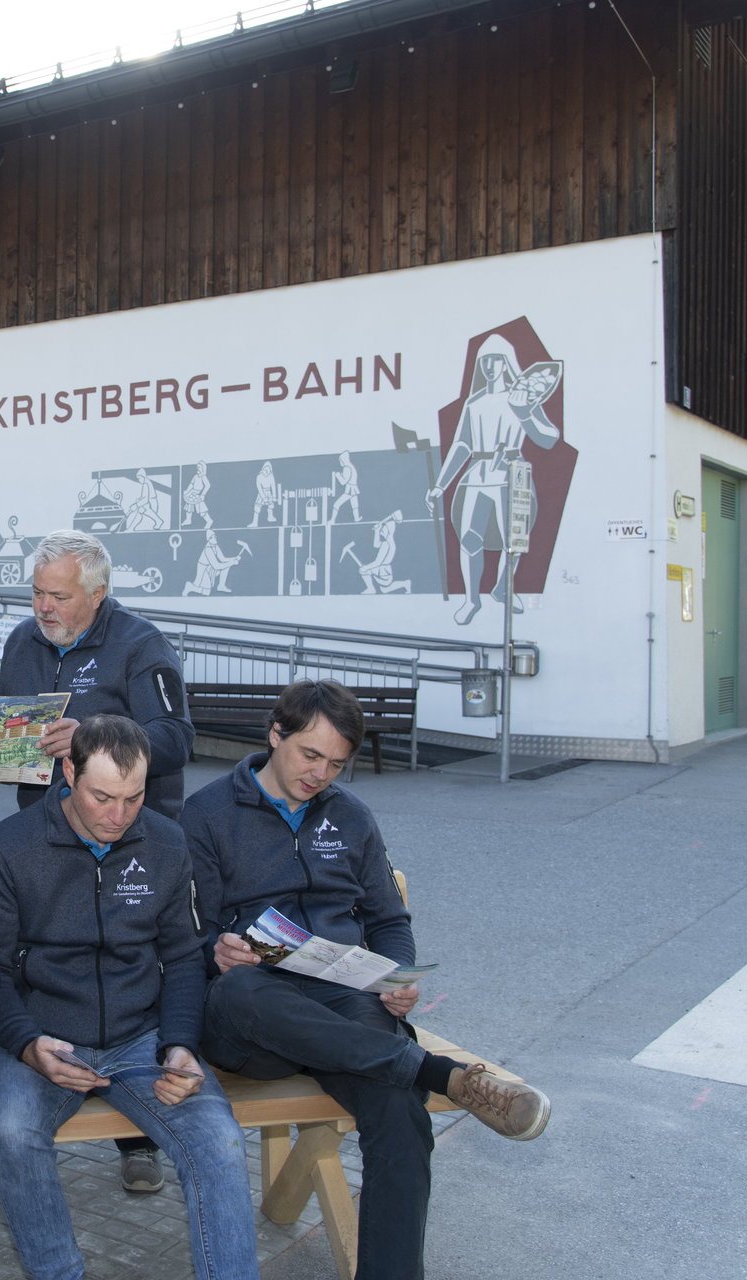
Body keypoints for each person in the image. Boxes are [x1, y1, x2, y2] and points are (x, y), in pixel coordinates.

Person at [183, 680, 551, 1280]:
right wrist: (216, 951)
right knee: (241, 991)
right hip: (255, 1018)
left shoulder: (351, 816)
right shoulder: (207, 813)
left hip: (344, 1006)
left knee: (400, 1112)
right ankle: (438, 1073)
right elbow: (185, 931)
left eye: (336, 764)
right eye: (310, 755)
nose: (320, 775)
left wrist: (397, 978)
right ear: (275, 735)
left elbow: (388, 919)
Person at [0, 715, 258, 1280]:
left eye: (133, 798)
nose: (118, 816)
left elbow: (184, 958)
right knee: (12, 1131)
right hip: (40, 1033)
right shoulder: (10, 846)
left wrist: (181, 1044)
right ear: (68, 772)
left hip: (142, 1038)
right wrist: (26, 1044)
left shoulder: (167, 842)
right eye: (102, 797)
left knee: (220, 1142)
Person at [0, 528, 195, 1190]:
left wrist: (93, 739)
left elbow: (177, 737)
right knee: (44, 968)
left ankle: (139, 1139)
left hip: (127, 839)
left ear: (98, 594)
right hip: (45, 840)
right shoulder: (21, 643)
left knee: (128, 969)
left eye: (58, 596)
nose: (43, 607)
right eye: (36, 593)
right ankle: (21, 1137)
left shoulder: (141, 645)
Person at [429, 336, 563, 625]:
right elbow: (462, 445)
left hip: (510, 473)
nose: (490, 366)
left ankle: (503, 588)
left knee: (512, 540)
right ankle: (471, 600)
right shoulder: (474, 402)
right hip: (477, 473)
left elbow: (549, 438)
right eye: (485, 361)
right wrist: (441, 484)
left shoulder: (520, 398)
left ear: (506, 363)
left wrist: (524, 414)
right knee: (469, 538)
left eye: (496, 360)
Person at [183, 529, 243, 596]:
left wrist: (234, 558)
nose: (214, 538)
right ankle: (190, 587)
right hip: (204, 570)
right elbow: (216, 566)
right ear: (209, 539)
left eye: (215, 536)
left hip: (210, 569)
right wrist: (232, 563)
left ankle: (221, 586)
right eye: (212, 537)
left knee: (226, 565)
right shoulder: (208, 549)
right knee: (206, 592)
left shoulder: (215, 546)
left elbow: (223, 559)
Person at [330, 452, 362, 524]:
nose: (340, 463)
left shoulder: (346, 468)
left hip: (350, 490)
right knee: (354, 505)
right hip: (353, 488)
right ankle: (356, 518)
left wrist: (338, 476)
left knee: (336, 504)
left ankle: (332, 520)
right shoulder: (351, 467)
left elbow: (343, 482)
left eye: (340, 461)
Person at [181, 461, 213, 530]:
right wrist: (187, 491)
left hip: (197, 495)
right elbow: (191, 484)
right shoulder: (195, 476)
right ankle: (188, 520)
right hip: (191, 494)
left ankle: (209, 521)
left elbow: (207, 485)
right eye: (197, 467)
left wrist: (203, 494)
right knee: (188, 507)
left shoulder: (203, 477)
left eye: (199, 467)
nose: (198, 469)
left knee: (202, 510)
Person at [250, 461, 279, 527]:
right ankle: (255, 522)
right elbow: (259, 488)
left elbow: (273, 486)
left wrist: (274, 496)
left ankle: (270, 517)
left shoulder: (271, 477)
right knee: (257, 506)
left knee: (271, 505)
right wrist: (264, 497)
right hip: (261, 494)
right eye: (266, 470)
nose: (267, 472)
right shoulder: (259, 477)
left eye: (268, 470)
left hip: (268, 492)